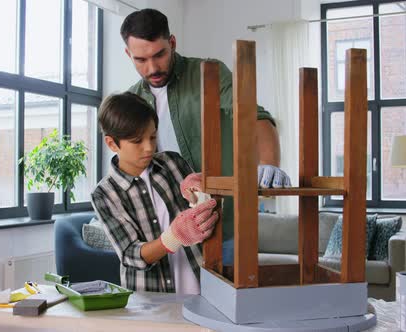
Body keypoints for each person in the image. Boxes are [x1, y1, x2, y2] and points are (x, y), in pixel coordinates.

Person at [120, 8, 291, 263]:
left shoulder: (209, 74)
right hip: (170, 232)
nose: (152, 67)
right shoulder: (131, 100)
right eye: (140, 60)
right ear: (128, 54)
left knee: (228, 302)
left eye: (159, 55)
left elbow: (255, 116)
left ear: (173, 43)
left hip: (223, 227)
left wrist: (268, 163)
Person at [91, 92, 219, 294]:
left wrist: (203, 191)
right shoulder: (104, 194)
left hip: (201, 285)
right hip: (150, 298)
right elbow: (130, 254)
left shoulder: (173, 163)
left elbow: (206, 215)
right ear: (112, 143)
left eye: (152, 136)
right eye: (137, 141)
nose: (149, 147)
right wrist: (174, 236)